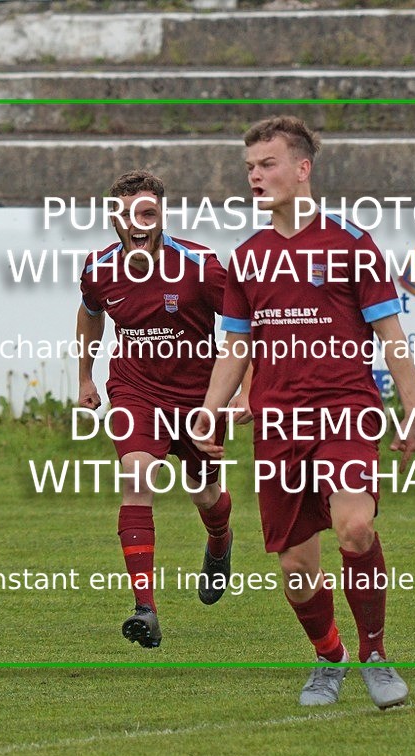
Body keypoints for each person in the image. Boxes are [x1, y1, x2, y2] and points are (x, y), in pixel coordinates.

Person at [193, 117, 415, 708]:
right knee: (297, 571)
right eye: (249, 167)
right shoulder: (246, 258)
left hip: (346, 409)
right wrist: (210, 409)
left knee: (354, 526)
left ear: (302, 169)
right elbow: (238, 345)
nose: (255, 176)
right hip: (277, 424)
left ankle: (375, 654)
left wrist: (414, 404)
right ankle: (330, 659)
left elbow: (390, 331)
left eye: (266, 164)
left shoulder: (352, 242)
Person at [76, 170, 249, 649]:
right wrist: (86, 377)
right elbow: (91, 313)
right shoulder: (98, 267)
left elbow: (245, 324)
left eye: (145, 213)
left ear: (161, 215)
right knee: (137, 476)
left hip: (199, 400)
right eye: (124, 213)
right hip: (136, 394)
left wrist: (245, 392)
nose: (135, 222)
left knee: (205, 494)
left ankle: (220, 541)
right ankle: (144, 609)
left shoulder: (201, 265)